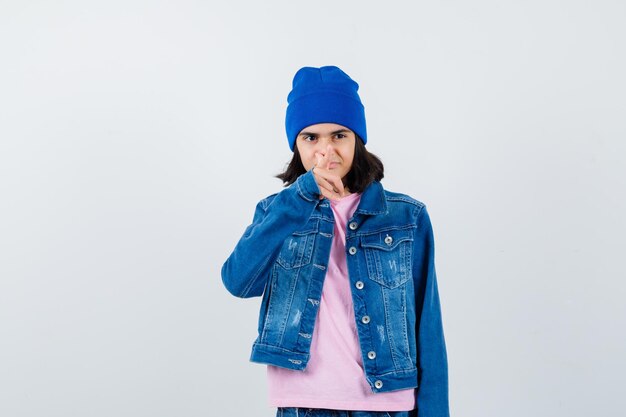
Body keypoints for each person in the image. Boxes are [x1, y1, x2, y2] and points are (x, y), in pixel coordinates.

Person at [221, 66, 449, 417]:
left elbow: (428, 327)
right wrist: (297, 201)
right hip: (305, 404)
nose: (326, 151)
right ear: (296, 145)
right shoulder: (276, 211)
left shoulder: (407, 217)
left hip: (385, 405)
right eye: (311, 138)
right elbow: (238, 281)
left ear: (357, 139)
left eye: (339, 135)